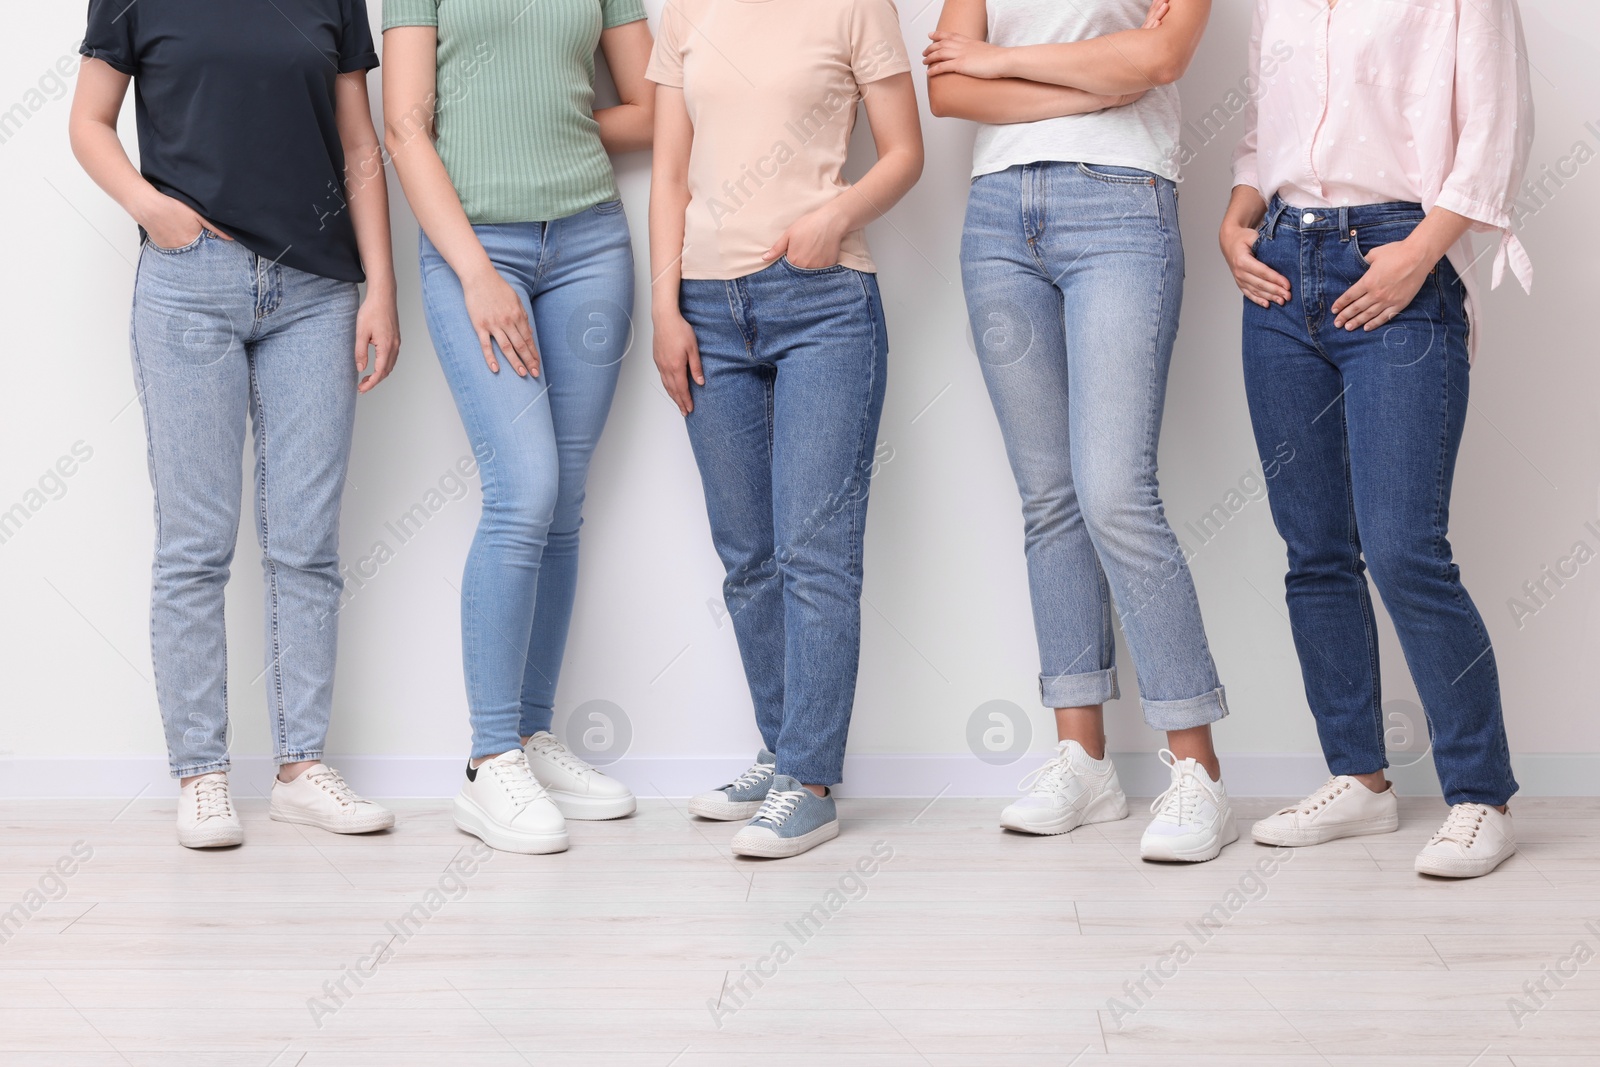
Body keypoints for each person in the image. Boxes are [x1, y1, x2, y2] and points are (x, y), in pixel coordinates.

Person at [70, 0, 401, 848]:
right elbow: (89, 122)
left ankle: (299, 767)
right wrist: (155, 211)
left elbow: (360, 145)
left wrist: (381, 290)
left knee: (306, 542)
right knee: (194, 543)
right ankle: (202, 773)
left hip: (318, 295)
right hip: (189, 285)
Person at [1221, 0, 1533, 878]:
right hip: (1279, 266)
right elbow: (1259, 136)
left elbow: (1494, 137)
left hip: (1396, 252)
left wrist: (1420, 254)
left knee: (1404, 548)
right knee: (1315, 546)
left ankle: (1481, 795)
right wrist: (1234, 221)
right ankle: (1359, 778)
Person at [925, 0, 1239, 862]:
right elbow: (949, 88)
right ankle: (1084, 757)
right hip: (997, 217)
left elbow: (1161, 58)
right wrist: (1087, 83)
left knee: (1114, 491)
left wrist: (1001, 64)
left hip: (1122, 205)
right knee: (1051, 498)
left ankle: (1198, 770)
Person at [646, 0, 924, 858]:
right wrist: (664, 308)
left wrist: (835, 218)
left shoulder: (856, 8)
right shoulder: (685, 12)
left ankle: (810, 782)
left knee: (816, 551)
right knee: (747, 554)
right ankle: (781, 751)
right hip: (705, 309)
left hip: (824, 303)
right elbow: (667, 174)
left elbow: (906, 152)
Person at [383, 0, 654, 854]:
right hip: (476, 249)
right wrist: (474, 272)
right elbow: (403, 127)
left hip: (591, 244)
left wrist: (552, 123)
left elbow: (648, 107)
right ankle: (487, 760)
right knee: (523, 489)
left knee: (563, 500)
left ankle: (532, 739)